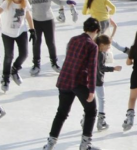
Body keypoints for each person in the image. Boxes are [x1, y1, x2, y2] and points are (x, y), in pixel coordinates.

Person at [42, 17, 101, 150]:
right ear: (96, 30)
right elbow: (92, 69)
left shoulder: (73, 39)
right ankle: (85, 145)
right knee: (91, 111)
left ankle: (50, 143)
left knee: (61, 112)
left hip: (65, 80)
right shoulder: (92, 46)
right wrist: (91, 90)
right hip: (79, 82)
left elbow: (69, 58)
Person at [27, 0, 76, 76]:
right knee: (36, 43)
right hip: (36, 22)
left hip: (48, 21)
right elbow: (25, 8)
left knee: (51, 43)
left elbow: (59, 1)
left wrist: (67, 1)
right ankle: (36, 64)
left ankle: (54, 63)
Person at [0, 0, 36, 92]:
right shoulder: (7, 3)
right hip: (7, 33)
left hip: (21, 31)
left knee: (24, 54)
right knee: (9, 56)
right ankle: (5, 78)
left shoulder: (25, 2)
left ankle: (14, 69)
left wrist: (32, 29)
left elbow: (28, 16)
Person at [91, 34, 121, 131]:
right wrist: (114, 68)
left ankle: (85, 119)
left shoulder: (93, 51)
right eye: (108, 46)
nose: (109, 48)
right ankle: (101, 121)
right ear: (102, 45)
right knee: (101, 99)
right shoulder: (101, 54)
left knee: (89, 99)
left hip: (89, 79)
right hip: (98, 80)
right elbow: (101, 68)